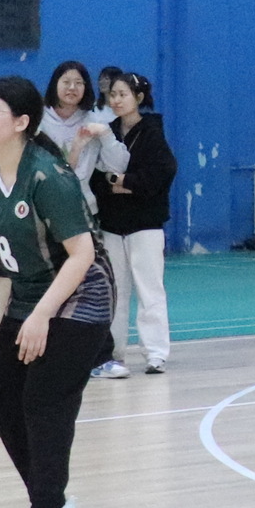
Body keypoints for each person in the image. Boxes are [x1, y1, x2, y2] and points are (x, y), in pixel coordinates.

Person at [0, 75, 113, 508]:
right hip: (26, 298)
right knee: (3, 403)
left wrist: (45, 314)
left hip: (79, 299)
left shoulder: (48, 176)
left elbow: (82, 254)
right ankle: (54, 504)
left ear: (22, 122)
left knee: (44, 403)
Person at [93, 70, 176, 375]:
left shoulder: (152, 132)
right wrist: (115, 183)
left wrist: (123, 181)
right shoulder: (107, 132)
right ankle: (114, 352)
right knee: (115, 291)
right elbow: (97, 179)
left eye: (123, 94)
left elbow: (159, 175)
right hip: (112, 224)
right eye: (112, 94)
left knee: (149, 289)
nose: (116, 100)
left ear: (138, 98)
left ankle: (155, 353)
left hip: (145, 224)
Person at [40, 60, 110, 186]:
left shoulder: (95, 121)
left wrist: (106, 135)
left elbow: (115, 165)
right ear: (55, 84)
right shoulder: (38, 119)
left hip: (81, 193)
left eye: (78, 83)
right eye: (66, 82)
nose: (72, 87)